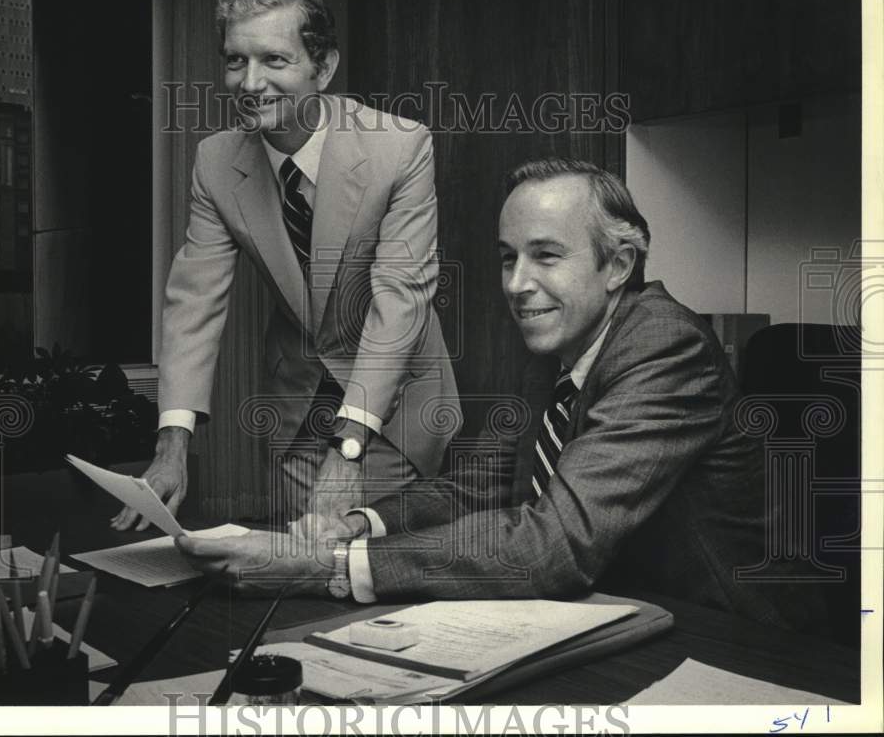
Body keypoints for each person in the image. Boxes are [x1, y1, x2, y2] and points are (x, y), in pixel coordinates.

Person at [176, 156, 806, 630]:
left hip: (726, 636)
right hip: (611, 611)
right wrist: (357, 523)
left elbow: (551, 545)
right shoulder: (558, 349)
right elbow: (472, 486)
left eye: (546, 256)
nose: (518, 284)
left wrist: (330, 569)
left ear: (617, 266)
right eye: (508, 258)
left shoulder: (665, 345)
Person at [113, 0, 459, 530]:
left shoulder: (399, 146)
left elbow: (399, 305)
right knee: (302, 560)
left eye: (274, 60)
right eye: (234, 61)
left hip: (392, 402)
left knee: (369, 561)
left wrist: (349, 448)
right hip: (297, 404)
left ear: (323, 68)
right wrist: (171, 446)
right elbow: (193, 305)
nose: (250, 84)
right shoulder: (216, 162)